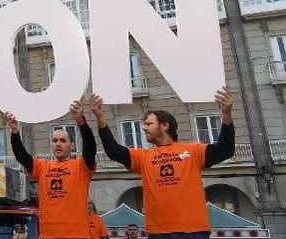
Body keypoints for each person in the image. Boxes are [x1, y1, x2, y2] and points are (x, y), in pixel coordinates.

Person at [91, 88, 235, 239]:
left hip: (193, 231)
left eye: (149, 124)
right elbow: (114, 151)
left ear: (165, 125)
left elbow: (225, 150)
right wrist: (100, 118)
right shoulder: (143, 156)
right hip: (158, 232)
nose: (144, 127)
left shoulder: (192, 151)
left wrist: (226, 114)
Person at [7, 100, 96, 239]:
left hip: (77, 234)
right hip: (48, 235)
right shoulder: (43, 167)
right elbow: (22, 156)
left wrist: (81, 122)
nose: (58, 144)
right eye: (55, 141)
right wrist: (14, 132)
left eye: (63, 141)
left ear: (72, 145)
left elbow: (90, 148)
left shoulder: (81, 166)